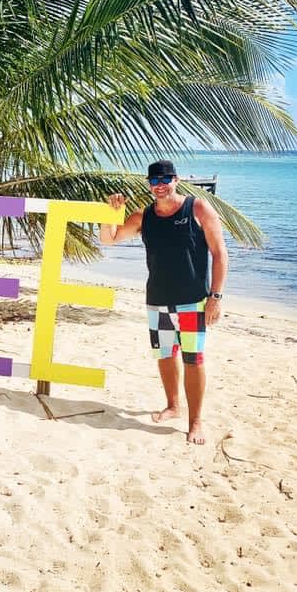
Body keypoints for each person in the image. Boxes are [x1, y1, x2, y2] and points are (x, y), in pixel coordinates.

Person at [100, 160, 228, 444]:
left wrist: (215, 298)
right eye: (154, 180)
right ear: (149, 184)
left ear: (176, 180)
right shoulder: (143, 216)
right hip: (157, 300)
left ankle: (195, 422)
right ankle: (172, 406)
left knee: (193, 360)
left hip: (192, 301)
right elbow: (108, 239)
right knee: (165, 356)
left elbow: (220, 254)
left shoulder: (197, 209)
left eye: (165, 179)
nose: (159, 185)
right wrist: (111, 212)